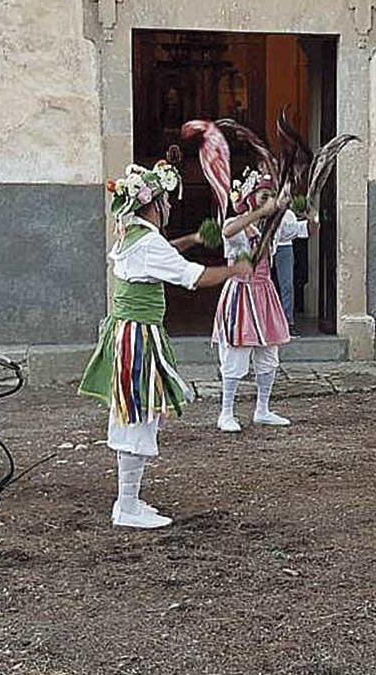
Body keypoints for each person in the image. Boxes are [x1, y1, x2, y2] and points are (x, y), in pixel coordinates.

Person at [79, 158, 250, 529]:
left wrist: (191, 239)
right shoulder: (147, 242)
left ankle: (131, 501)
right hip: (137, 337)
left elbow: (160, 251)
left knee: (137, 414)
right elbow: (193, 276)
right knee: (138, 415)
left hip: (130, 332)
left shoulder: (133, 233)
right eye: (167, 201)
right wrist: (235, 271)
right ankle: (126, 506)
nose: (171, 206)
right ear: (154, 204)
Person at [214, 168, 295, 433]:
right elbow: (227, 232)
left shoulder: (274, 227)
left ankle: (263, 409)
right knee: (236, 354)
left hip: (264, 293)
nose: (268, 200)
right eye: (263, 196)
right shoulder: (237, 224)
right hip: (241, 292)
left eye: (270, 196)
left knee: (269, 353)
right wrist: (261, 212)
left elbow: (306, 230)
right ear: (250, 197)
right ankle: (226, 412)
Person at [273, 202, 319, 333]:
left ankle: (288, 322)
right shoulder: (262, 212)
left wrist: (313, 218)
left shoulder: (289, 215)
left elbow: (305, 231)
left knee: (287, 286)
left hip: (284, 247)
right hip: (265, 247)